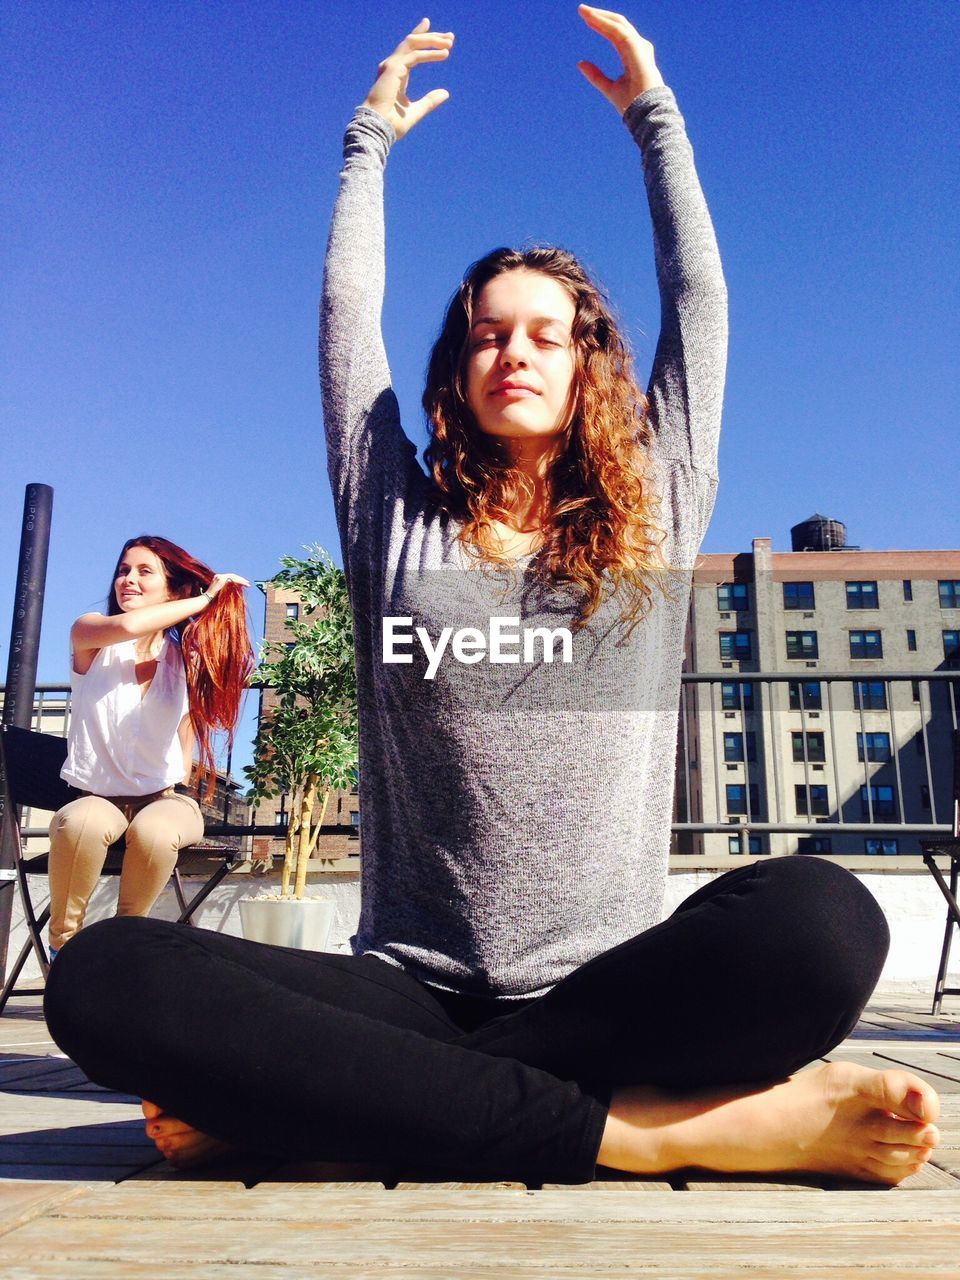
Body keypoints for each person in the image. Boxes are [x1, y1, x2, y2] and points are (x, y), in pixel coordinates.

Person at [45, 8, 941, 1185]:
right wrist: (366, 139)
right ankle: (654, 1130)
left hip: (612, 989)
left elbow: (704, 309)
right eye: (485, 335)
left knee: (830, 924)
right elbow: (342, 319)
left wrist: (657, 125)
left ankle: (343, 1105)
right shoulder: (391, 511)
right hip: (405, 988)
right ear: (455, 374)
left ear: (588, 368)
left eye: (545, 335)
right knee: (104, 975)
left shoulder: (660, 500)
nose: (513, 351)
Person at [46, 535, 252, 957]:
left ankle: (124, 943)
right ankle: (64, 949)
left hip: (163, 800)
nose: (128, 580)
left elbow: (187, 735)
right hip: (97, 798)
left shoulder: (186, 659)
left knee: (154, 832)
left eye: (144, 572)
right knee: (81, 822)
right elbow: (126, 627)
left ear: (173, 590)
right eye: (124, 570)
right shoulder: (91, 634)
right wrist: (203, 600)